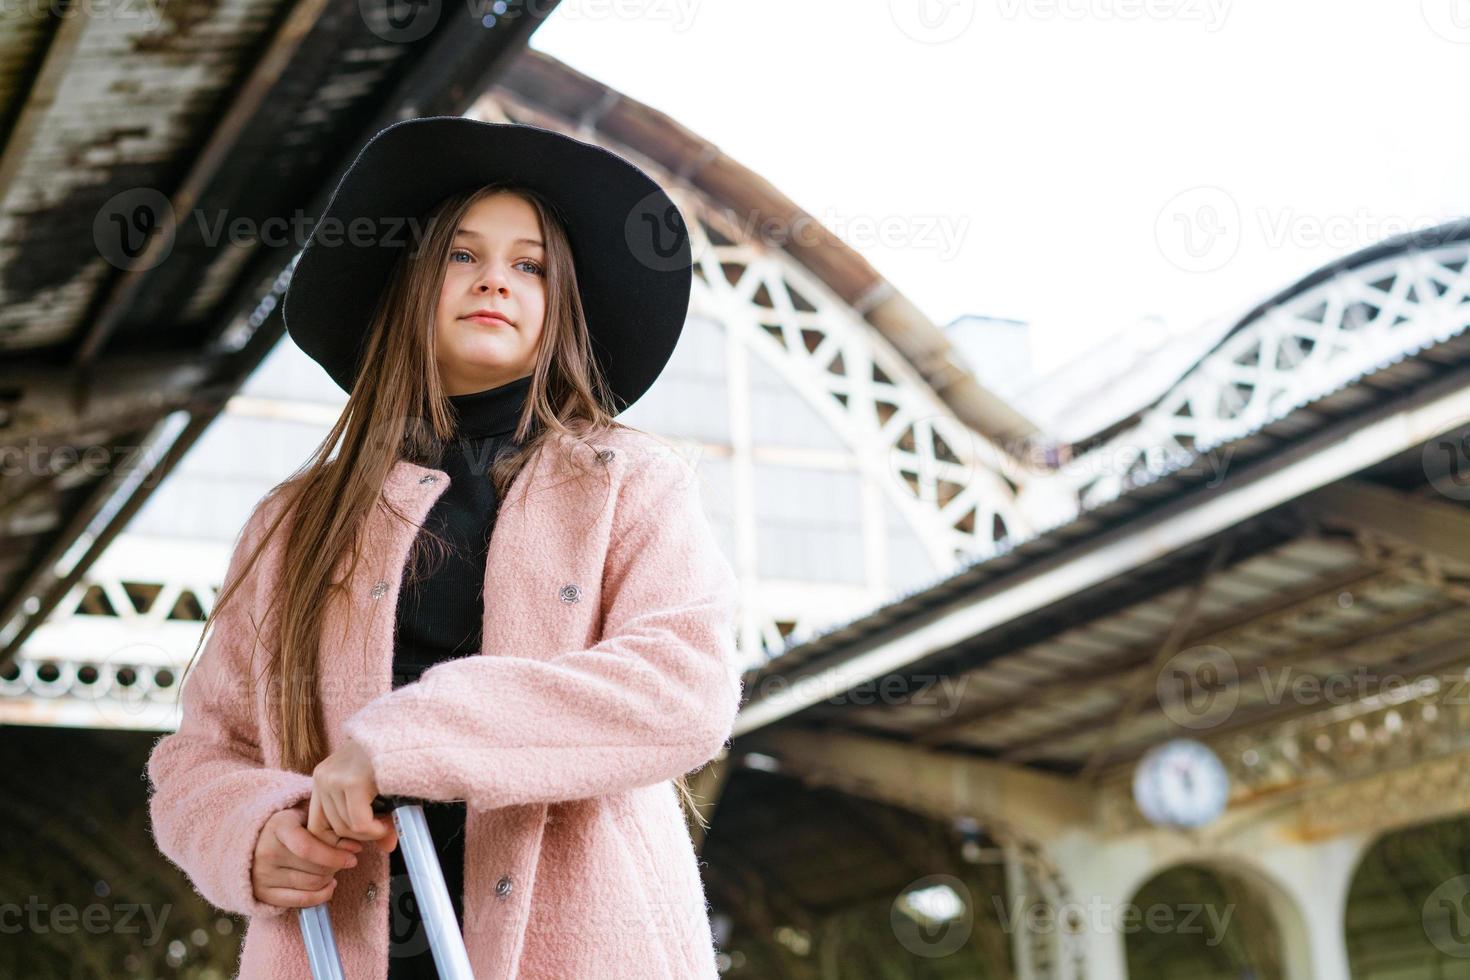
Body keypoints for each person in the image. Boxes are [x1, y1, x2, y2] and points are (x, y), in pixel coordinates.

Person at [145, 116, 743, 979]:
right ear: (409, 284)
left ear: (558, 305)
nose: (495, 279)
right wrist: (254, 831)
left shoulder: (632, 481)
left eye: (529, 264)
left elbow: (683, 688)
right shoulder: (292, 523)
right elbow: (201, 755)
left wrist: (405, 740)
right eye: (462, 255)